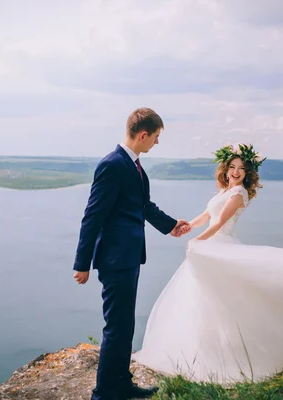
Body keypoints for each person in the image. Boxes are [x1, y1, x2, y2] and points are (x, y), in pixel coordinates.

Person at [132, 143, 283, 384]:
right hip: (211, 246)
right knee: (203, 300)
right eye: (232, 167)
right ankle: (202, 349)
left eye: (241, 168)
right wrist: (185, 226)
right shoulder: (224, 191)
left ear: (248, 172)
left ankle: (232, 353)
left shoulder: (238, 194)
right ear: (225, 169)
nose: (235, 172)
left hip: (220, 246)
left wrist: (197, 241)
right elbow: (207, 215)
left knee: (223, 301)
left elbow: (221, 221)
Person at [72, 107, 191, 400]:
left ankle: (121, 384)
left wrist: (171, 225)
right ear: (142, 134)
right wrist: (82, 263)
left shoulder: (133, 164)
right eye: (156, 137)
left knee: (125, 326)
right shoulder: (112, 165)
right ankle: (104, 394)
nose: (157, 143)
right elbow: (92, 216)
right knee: (116, 327)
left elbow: (143, 206)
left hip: (128, 258)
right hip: (115, 261)